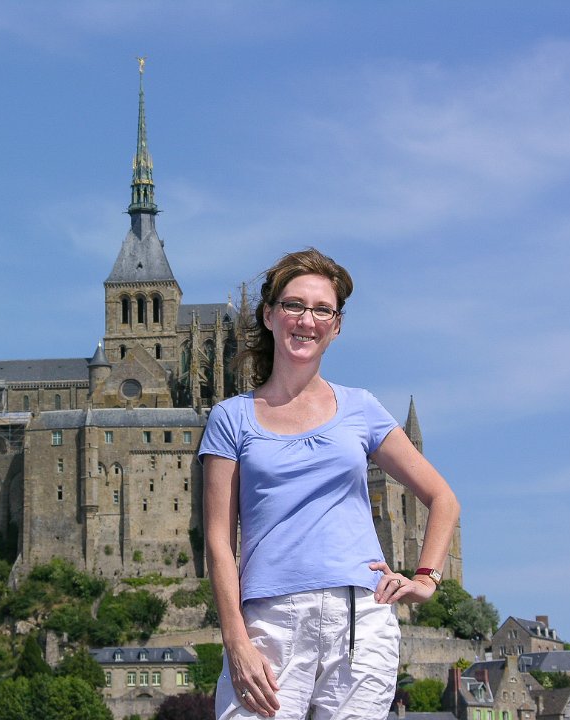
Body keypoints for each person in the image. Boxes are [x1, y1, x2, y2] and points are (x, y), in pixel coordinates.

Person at [200, 248, 460, 720]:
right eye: (294, 305)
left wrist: (427, 579)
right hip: (269, 622)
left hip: (360, 617)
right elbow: (219, 542)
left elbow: (442, 498)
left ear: (336, 326)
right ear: (269, 315)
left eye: (323, 310)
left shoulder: (361, 407)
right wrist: (236, 641)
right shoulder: (231, 417)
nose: (307, 320)